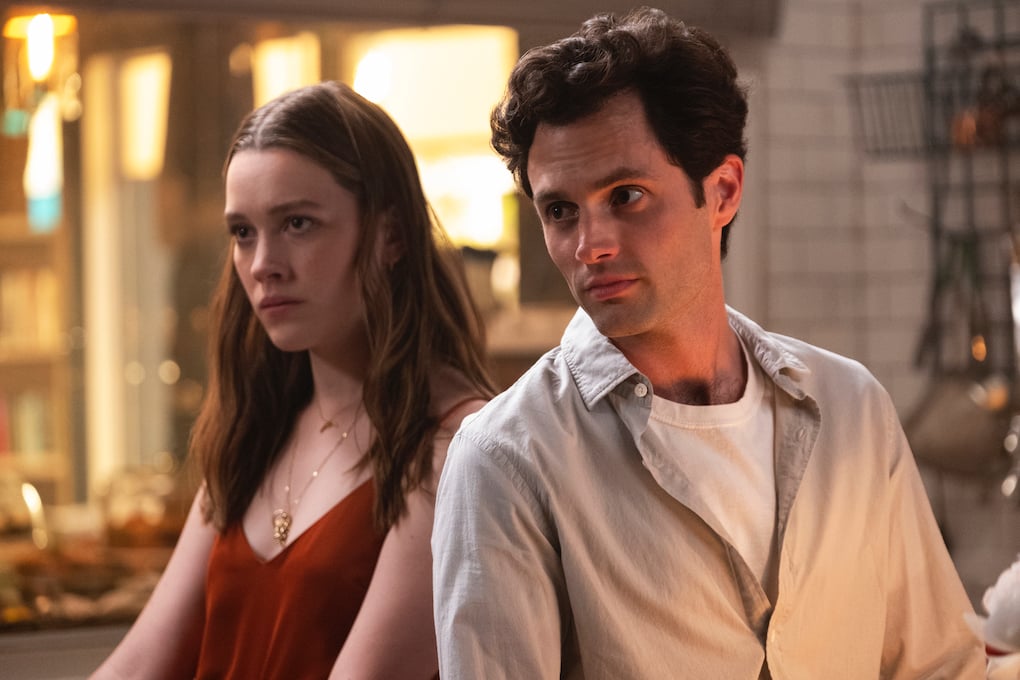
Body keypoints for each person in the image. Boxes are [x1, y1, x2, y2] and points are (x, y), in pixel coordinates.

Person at [431, 7, 985, 679]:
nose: (589, 245)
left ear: (721, 192)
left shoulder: (850, 407)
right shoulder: (506, 460)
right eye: (560, 211)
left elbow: (941, 667)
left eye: (625, 196)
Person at [92, 80, 496, 679]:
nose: (263, 265)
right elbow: (137, 665)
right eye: (243, 232)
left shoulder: (454, 445)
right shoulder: (256, 431)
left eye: (298, 224)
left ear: (390, 235)